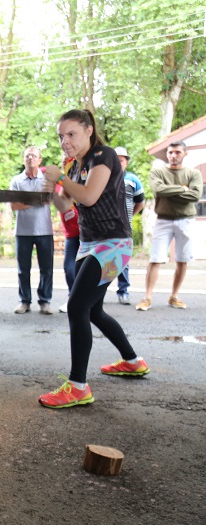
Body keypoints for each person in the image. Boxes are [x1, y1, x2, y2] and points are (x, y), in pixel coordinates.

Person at [39, 109, 148, 409]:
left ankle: (77, 386)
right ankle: (132, 361)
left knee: (77, 306)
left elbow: (89, 196)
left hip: (114, 245)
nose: (65, 141)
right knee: (93, 311)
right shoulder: (76, 166)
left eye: (71, 134)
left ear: (88, 130)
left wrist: (60, 175)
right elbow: (67, 206)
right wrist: (52, 190)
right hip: (89, 245)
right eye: (61, 136)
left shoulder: (104, 156)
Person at [135, 141, 202, 311]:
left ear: (185, 154)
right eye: (170, 152)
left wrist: (173, 191)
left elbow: (195, 195)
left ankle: (174, 296)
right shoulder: (158, 172)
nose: (173, 156)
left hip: (186, 220)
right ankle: (147, 297)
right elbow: (158, 189)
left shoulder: (193, 173)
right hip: (163, 220)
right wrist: (183, 189)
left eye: (177, 152)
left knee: (182, 259)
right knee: (155, 259)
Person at [9, 146, 54, 315]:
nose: (30, 159)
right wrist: (36, 200)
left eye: (34, 156)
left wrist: (26, 200)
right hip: (23, 231)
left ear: (40, 160)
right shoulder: (16, 181)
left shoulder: (47, 180)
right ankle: (24, 301)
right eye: (27, 156)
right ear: (23, 159)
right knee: (23, 269)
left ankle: (45, 300)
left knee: (46, 268)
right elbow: (14, 205)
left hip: (45, 230)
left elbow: (48, 200)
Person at [114, 146, 145, 305]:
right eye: (115, 160)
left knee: (123, 260)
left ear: (126, 162)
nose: (118, 163)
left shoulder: (133, 179)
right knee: (101, 260)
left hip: (125, 227)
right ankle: (97, 294)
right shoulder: (103, 177)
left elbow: (140, 202)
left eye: (121, 160)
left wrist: (130, 215)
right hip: (105, 227)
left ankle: (123, 291)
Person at [53, 159, 79, 314]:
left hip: (86, 235)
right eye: (64, 161)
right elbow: (61, 204)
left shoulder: (84, 180)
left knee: (85, 270)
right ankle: (72, 298)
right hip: (71, 235)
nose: (66, 163)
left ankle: (86, 301)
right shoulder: (62, 183)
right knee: (69, 268)